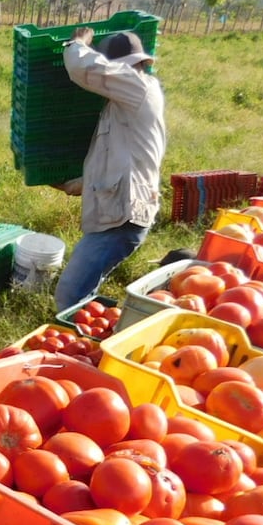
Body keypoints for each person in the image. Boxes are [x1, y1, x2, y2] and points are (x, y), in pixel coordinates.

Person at [50, 27, 166, 312]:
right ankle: (100, 333)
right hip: (121, 211)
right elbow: (120, 154)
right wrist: (77, 184)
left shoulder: (139, 86)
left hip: (123, 216)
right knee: (82, 294)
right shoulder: (127, 103)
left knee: (69, 297)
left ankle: (81, 348)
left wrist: (77, 43)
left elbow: (82, 67)